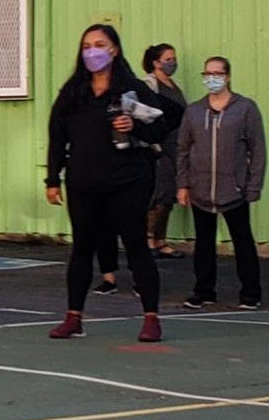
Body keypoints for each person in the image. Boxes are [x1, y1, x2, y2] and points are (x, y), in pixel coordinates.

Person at [44, 24, 181, 342]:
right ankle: (73, 317)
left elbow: (163, 124)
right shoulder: (72, 92)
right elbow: (56, 137)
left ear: (115, 49)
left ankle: (151, 318)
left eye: (100, 44)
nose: (93, 51)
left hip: (127, 181)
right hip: (82, 182)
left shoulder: (131, 89)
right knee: (81, 249)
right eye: (87, 45)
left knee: (136, 246)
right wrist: (53, 179)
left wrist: (135, 126)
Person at [175, 56, 266, 311]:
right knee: (203, 243)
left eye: (218, 73)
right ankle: (204, 291)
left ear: (228, 76)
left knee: (242, 241)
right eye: (208, 73)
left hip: (233, 190)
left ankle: (250, 293)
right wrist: (183, 184)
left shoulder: (246, 108)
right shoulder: (193, 111)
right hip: (200, 189)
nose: (212, 78)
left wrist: (253, 185)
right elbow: (182, 149)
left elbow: (257, 149)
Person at [142, 43, 186, 259]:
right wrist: (153, 143)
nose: (173, 63)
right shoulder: (149, 85)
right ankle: (148, 239)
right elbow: (145, 115)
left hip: (176, 145)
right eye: (168, 59)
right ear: (156, 62)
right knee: (158, 193)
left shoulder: (174, 85)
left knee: (169, 196)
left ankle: (161, 240)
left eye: (174, 58)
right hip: (159, 146)